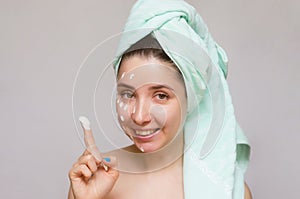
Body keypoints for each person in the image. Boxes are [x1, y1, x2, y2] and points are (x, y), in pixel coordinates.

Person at [68, 0, 252, 198]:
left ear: (190, 98)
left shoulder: (228, 190)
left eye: (161, 96)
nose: (139, 117)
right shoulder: (95, 181)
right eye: (127, 94)